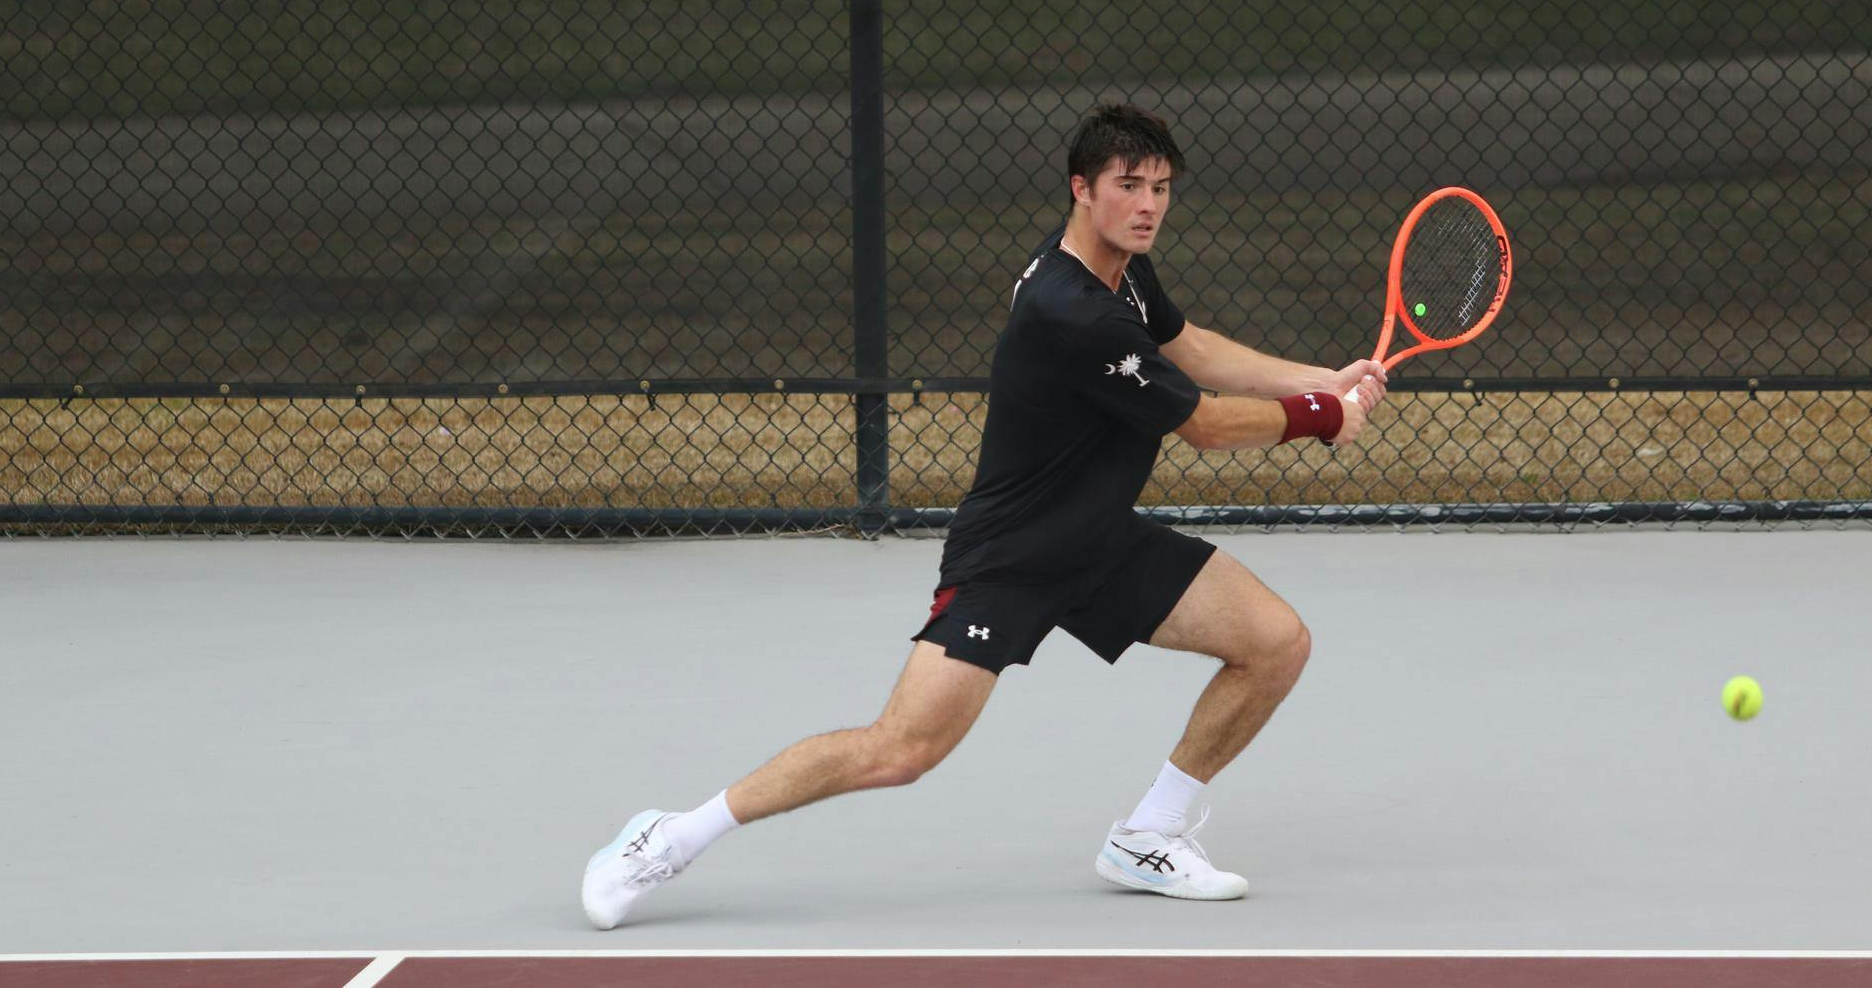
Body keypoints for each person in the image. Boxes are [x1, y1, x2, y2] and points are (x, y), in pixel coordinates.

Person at [583, 103, 1386, 927]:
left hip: (1099, 536)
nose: (1149, 204)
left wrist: (1313, 377)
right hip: (1013, 555)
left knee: (1275, 642)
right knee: (902, 749)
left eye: (1161, 187)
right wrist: (1321, 415)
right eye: (1129, 185)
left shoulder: (1124, 273)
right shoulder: (1070, 310)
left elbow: (1192, 346)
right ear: (1082, 188)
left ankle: (1149, 833)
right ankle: (671, 836)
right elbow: (1205, 424)